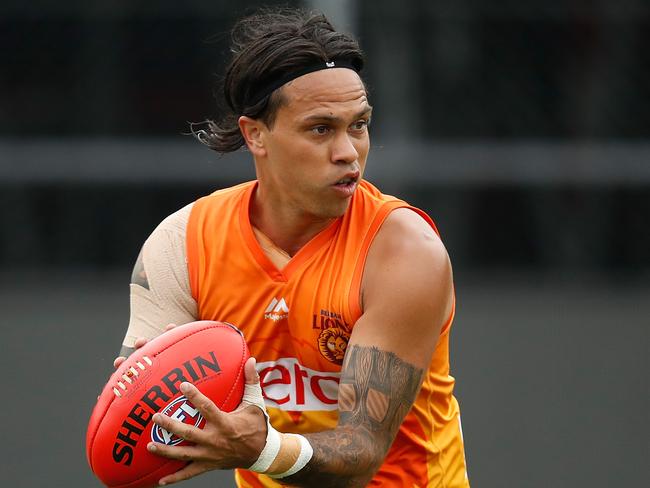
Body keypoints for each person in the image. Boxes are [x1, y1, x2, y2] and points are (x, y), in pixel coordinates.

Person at [114, 8, 469, 487]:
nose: (348, 151)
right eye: (321, 129)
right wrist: (143, 413)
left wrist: (260, 449)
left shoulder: (403, 250)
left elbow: (361, 452)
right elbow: (145, 418)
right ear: (255, 134)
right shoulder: (182, 245)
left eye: (359, 125)